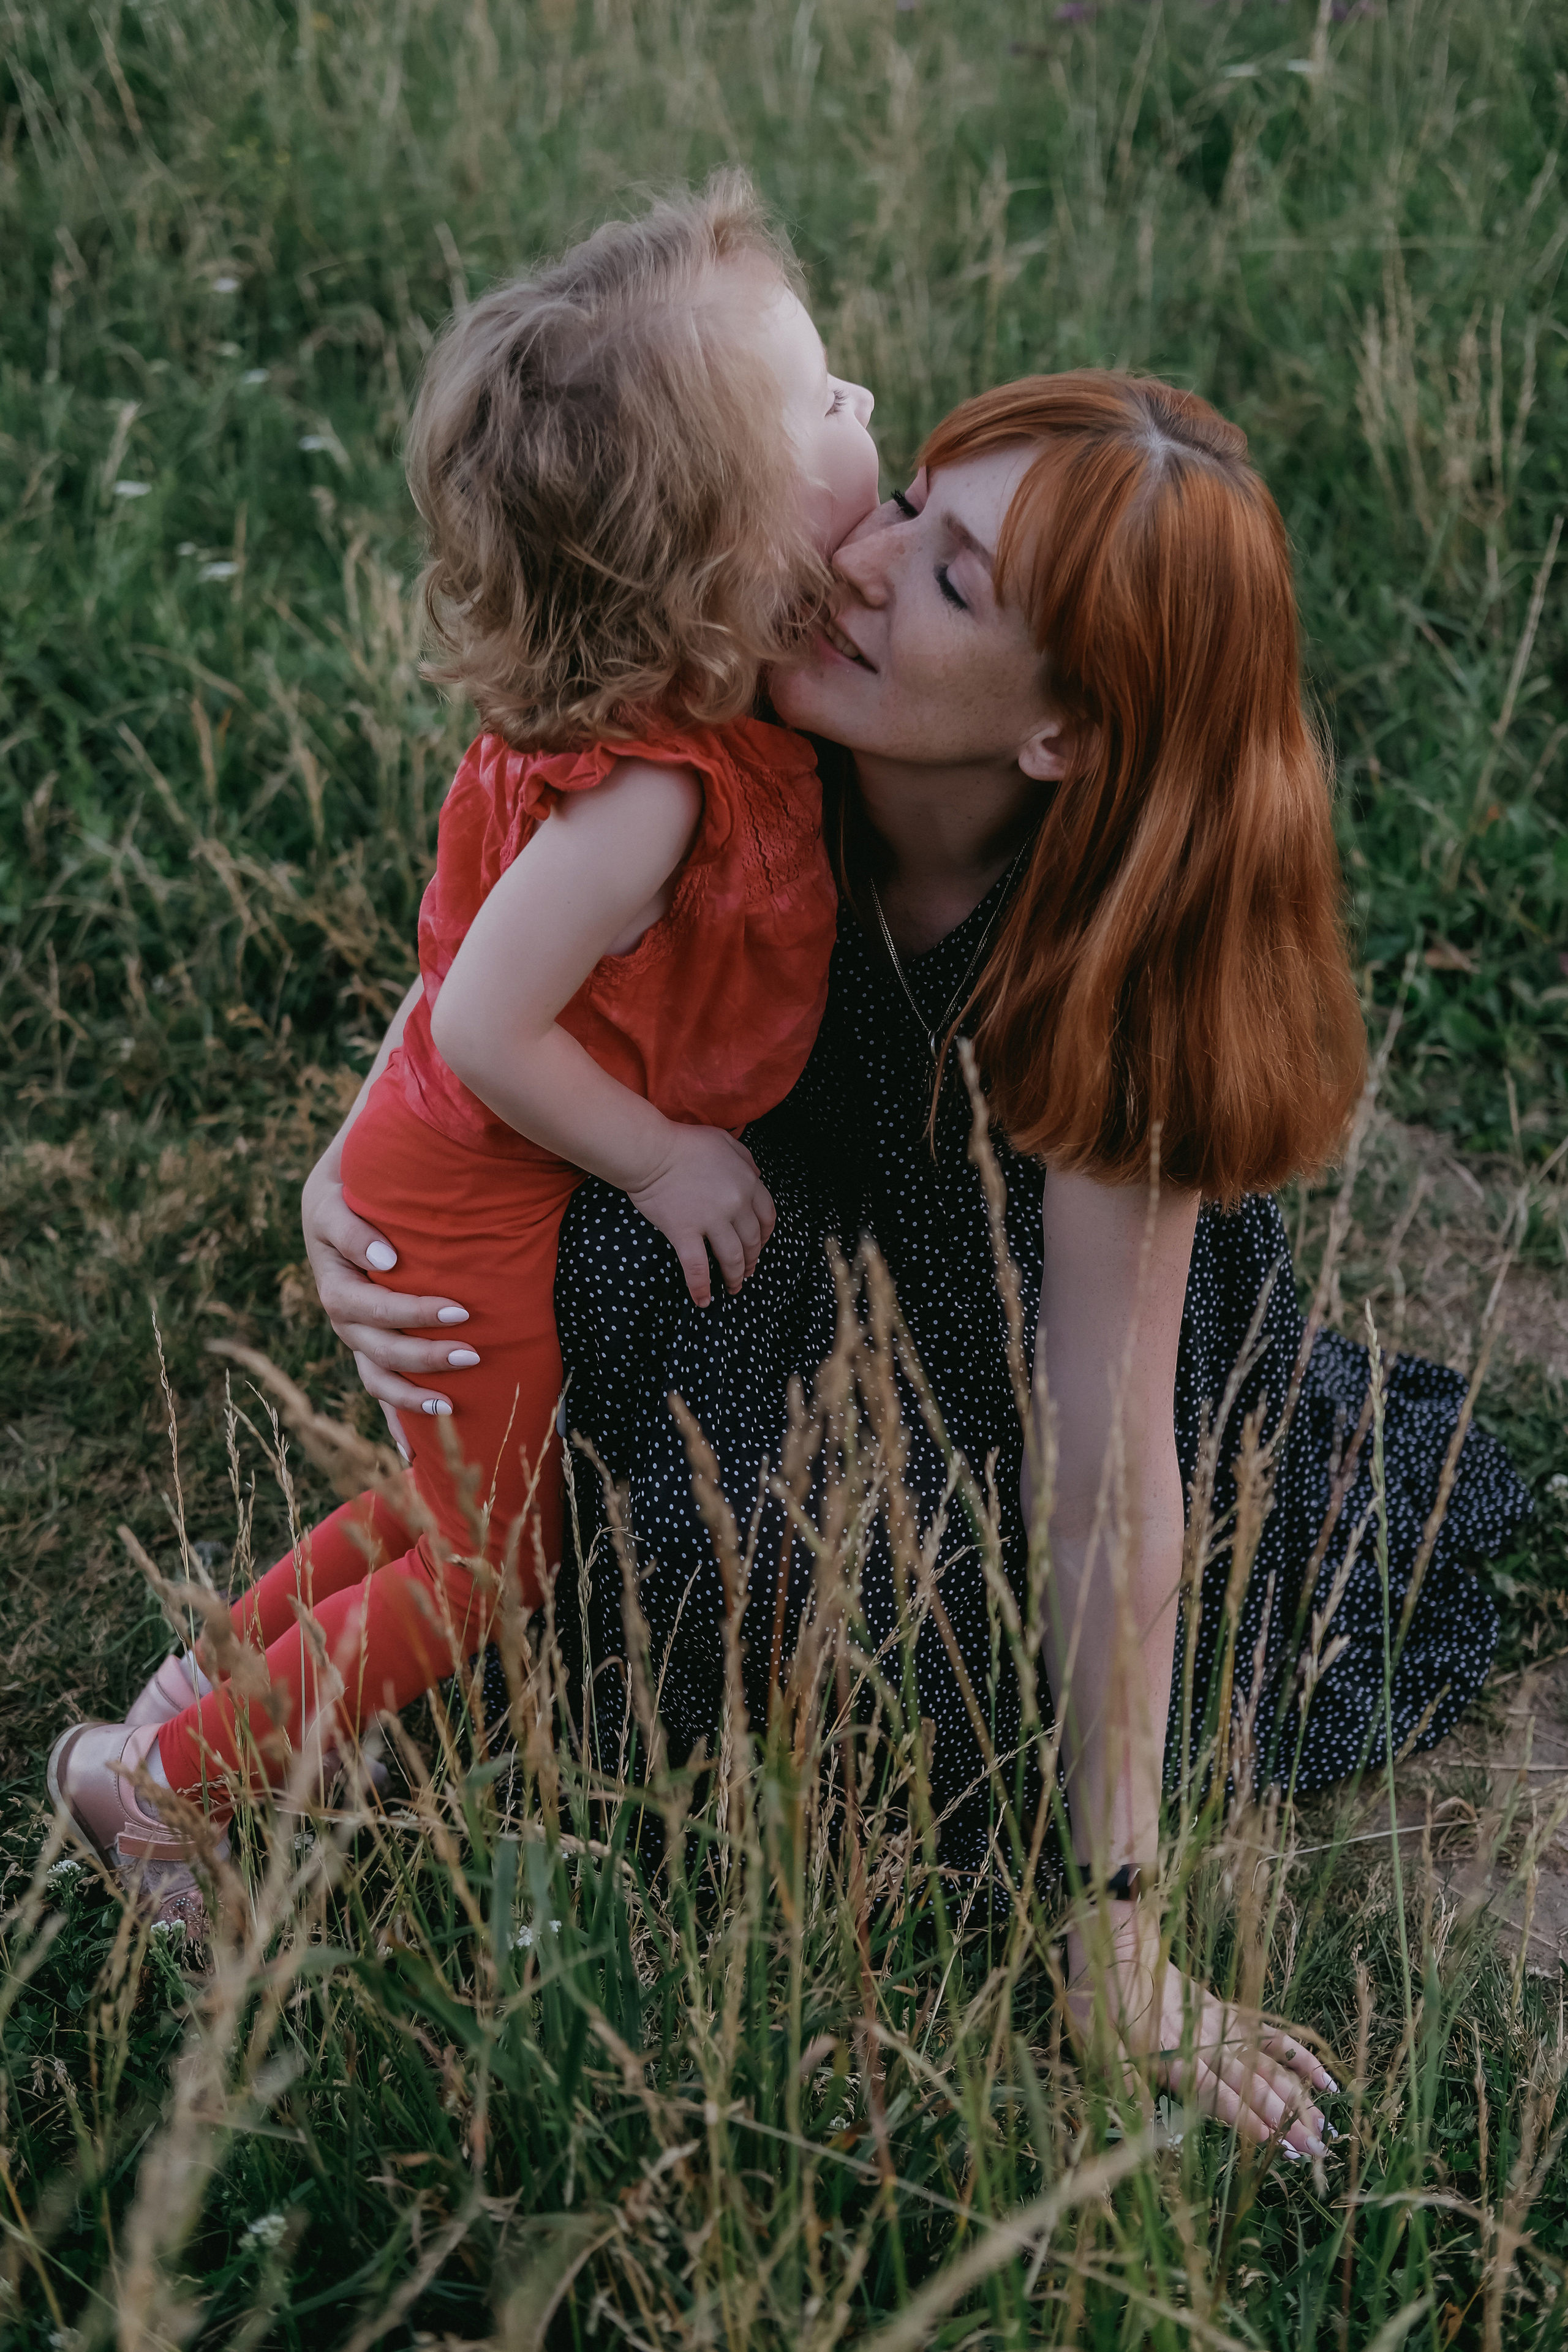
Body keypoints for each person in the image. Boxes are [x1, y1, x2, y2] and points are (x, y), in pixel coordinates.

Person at [304, 371, 1530, 2157]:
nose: (862, 564)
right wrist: (365, 1148)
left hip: (1034, 1381)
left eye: (954, 580)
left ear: (1064, 738)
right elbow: (503, 909)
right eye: (911, 502)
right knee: (592, 1348)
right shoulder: (757, 714)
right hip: (799, 1249)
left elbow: (1109, 1477)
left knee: (872, 1643)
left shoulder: (1111, 973)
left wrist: (1119, 1940)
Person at [46, 172, 881, 1920]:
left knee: (445, 1515)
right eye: (820, 401)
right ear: (723, 545)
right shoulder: (646, 797)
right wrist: (659, 1156)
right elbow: (489, 1023)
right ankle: (165, 1798)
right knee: (492, 1566)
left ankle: (200, 1699)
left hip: (456, 1162)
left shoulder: (670, 718)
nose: (862, 405)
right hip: (476, 1188)